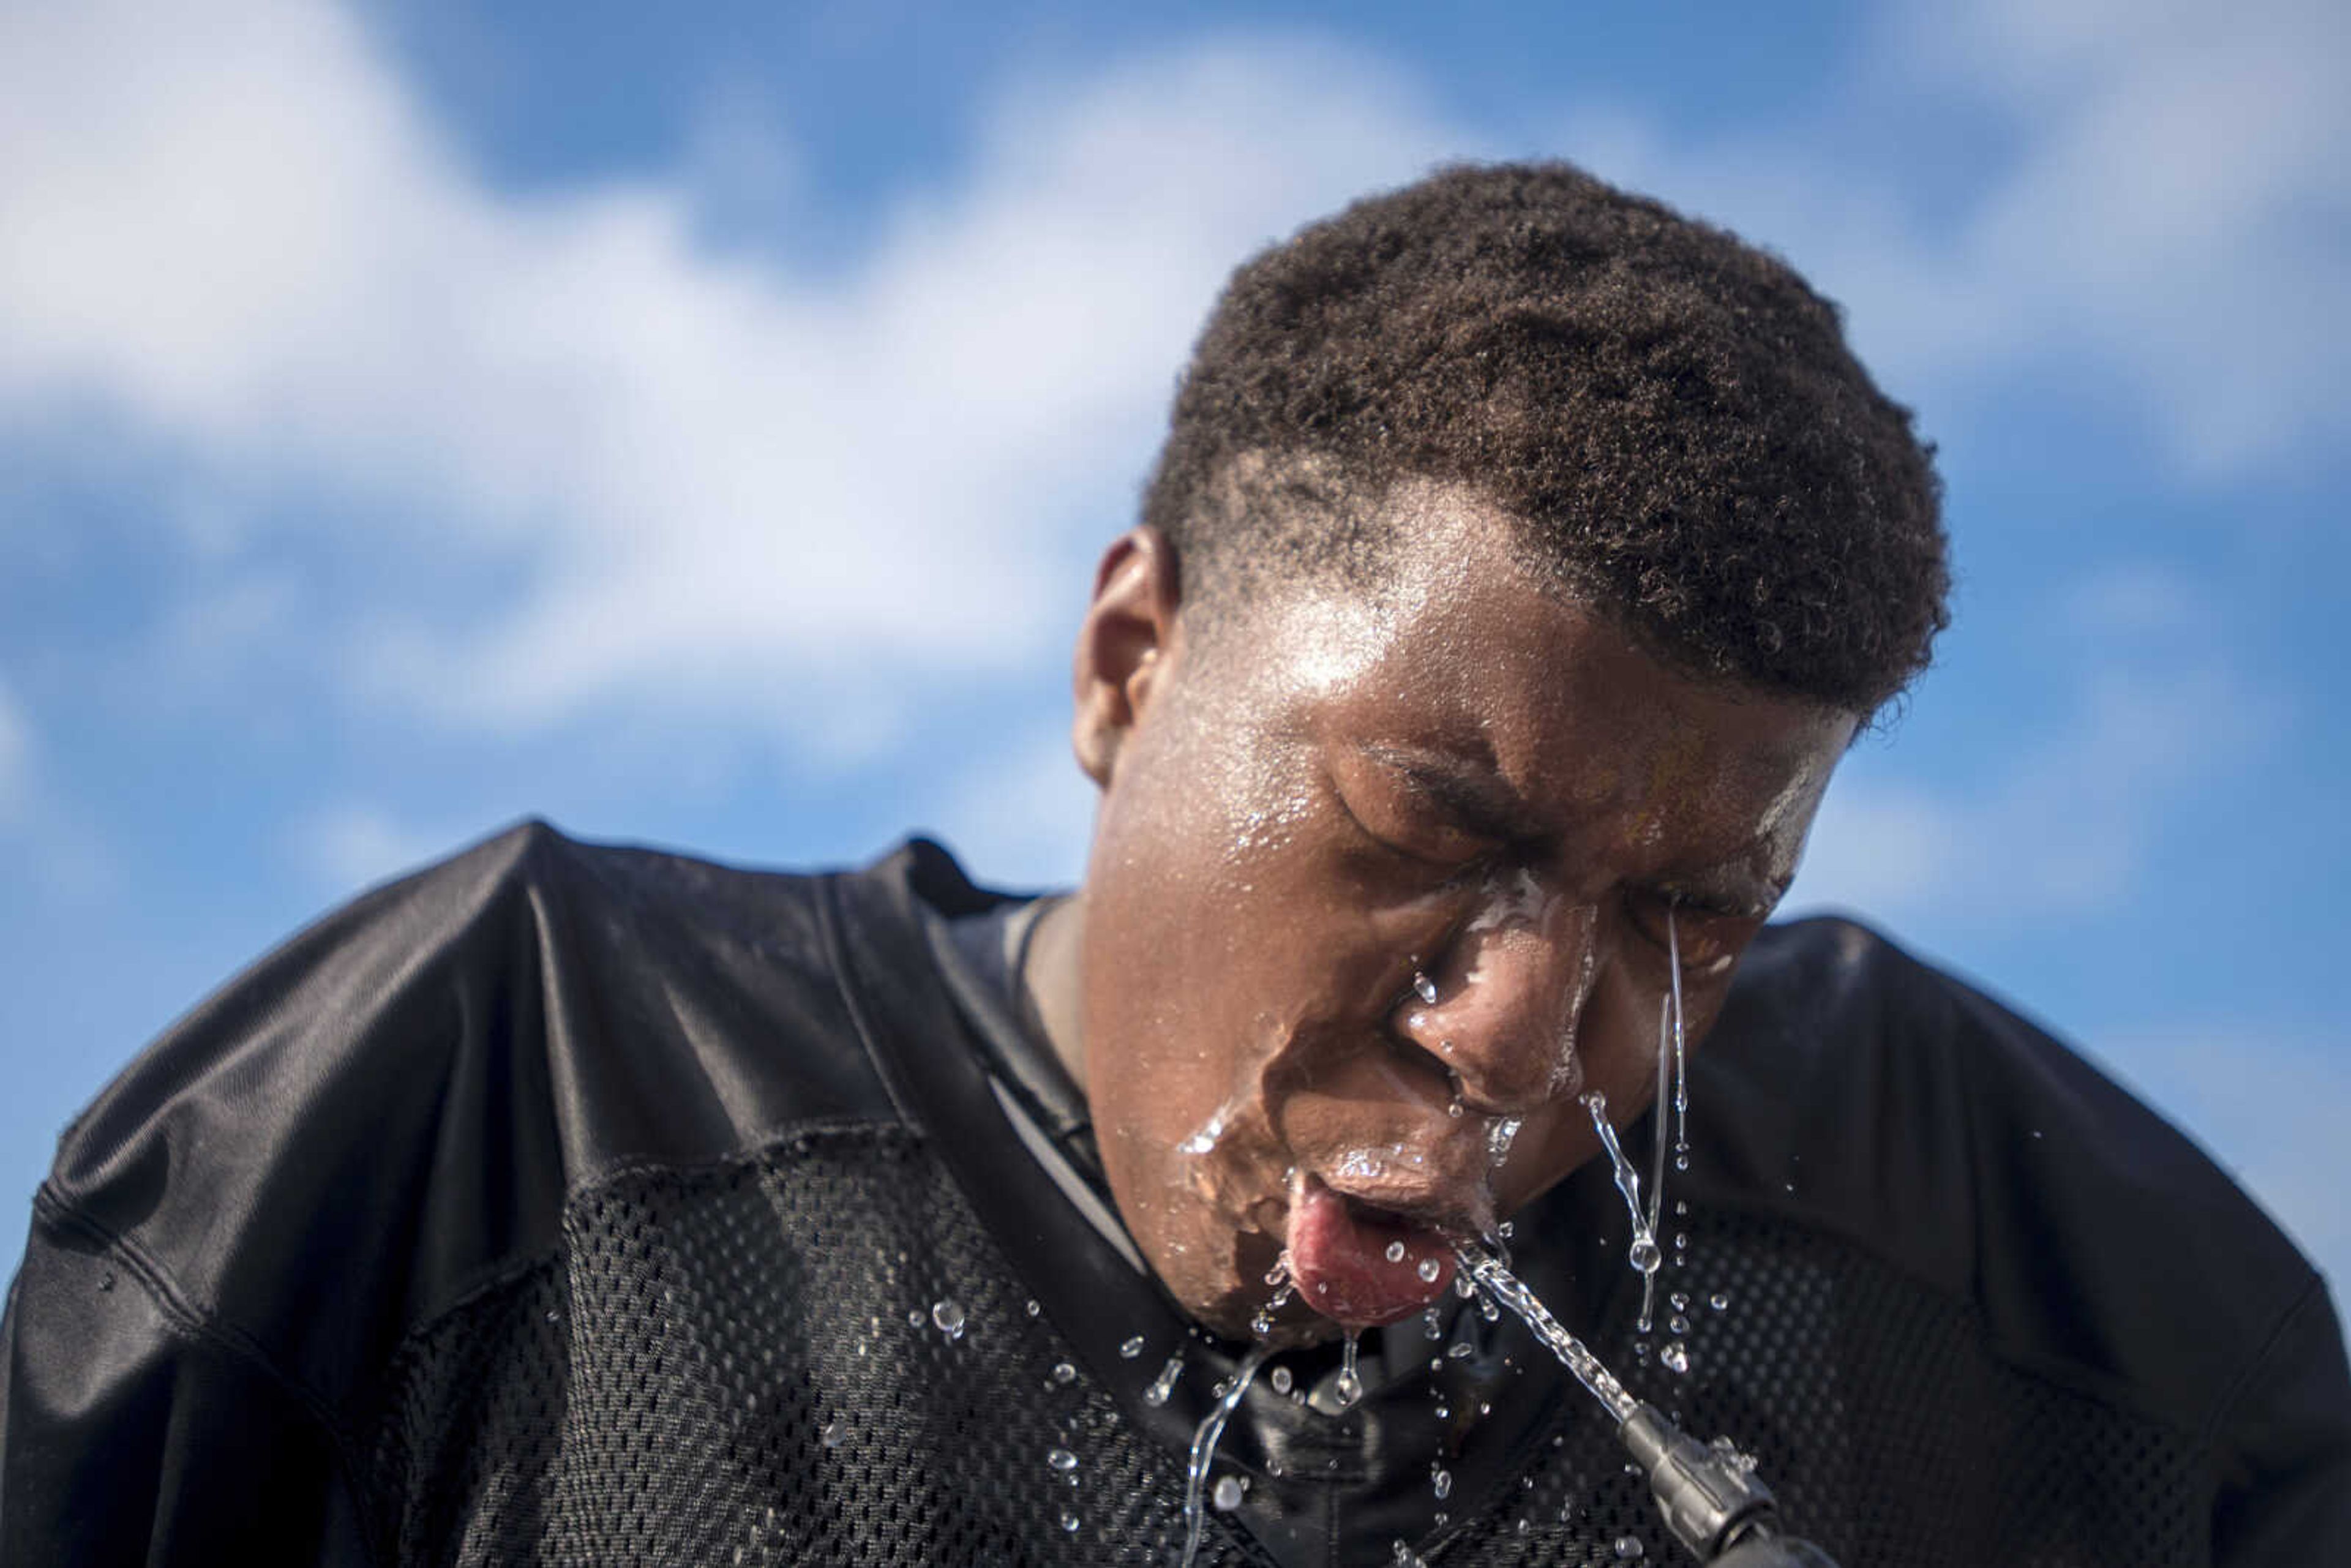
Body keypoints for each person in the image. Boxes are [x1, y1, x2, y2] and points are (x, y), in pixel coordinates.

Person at [3, 162, 2345, 1567]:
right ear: (1132, 659)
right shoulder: (488, 1115)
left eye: (1686, 919)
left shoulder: (2029, 1287)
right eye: (1431, 825)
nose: (1531, 1032)